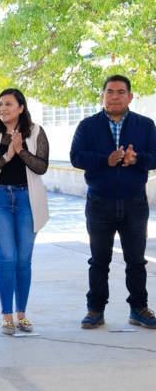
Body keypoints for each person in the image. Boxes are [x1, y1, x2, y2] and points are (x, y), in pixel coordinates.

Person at [70, 74, 156, 329]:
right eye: (110, 91)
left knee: (136, 261)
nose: (115, 96)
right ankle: (95, 310)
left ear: (130, 97)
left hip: (134, 203)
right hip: (100, 202)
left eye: (120, 92)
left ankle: (139, 309)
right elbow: (76, 157)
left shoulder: (145, 125)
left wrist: (137, 159)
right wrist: (104, 160)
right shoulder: (88, 126)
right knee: (99, 260)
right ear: (103, 95)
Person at [0, 89, 49, 335]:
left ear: (21, 108)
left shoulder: (36, 132)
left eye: (8, 104)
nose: (2, 108)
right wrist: (8, 155)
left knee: (23, 260)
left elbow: (41, 167)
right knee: (7, 258)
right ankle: (6, 316)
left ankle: (22, 314)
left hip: (28, 199)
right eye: (0, 104)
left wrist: (22, 151)